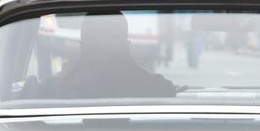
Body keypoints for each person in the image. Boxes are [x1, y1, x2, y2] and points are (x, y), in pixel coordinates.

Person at [44, 12, 175, 98]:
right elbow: (166, 88)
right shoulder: (157, 88)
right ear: (126, 46)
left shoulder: (53, 90)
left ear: (83, 47)